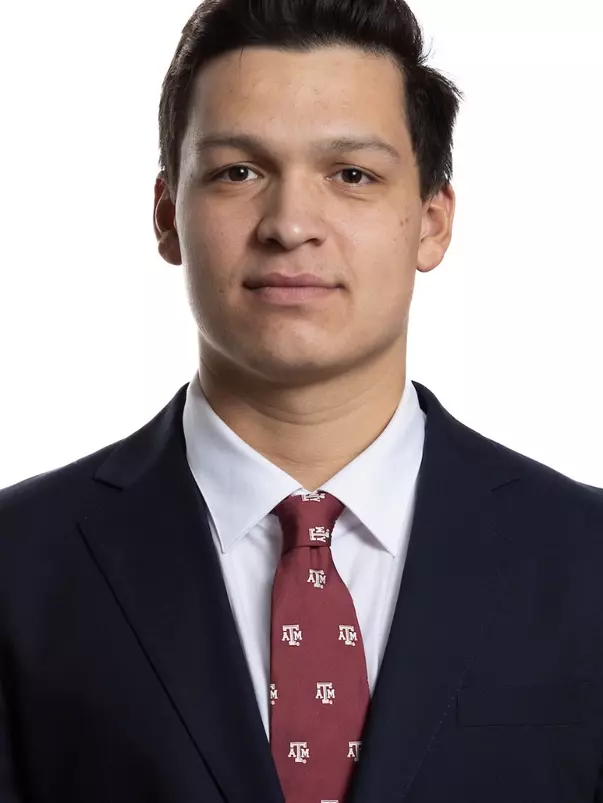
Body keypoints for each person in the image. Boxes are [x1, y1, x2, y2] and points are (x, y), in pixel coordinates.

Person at [1, 0, 602, 800]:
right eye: (237, 172)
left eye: (351, 174)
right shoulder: (18, 567)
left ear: (430, 221)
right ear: (165, 214)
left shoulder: (585, 560)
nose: (289, 224)